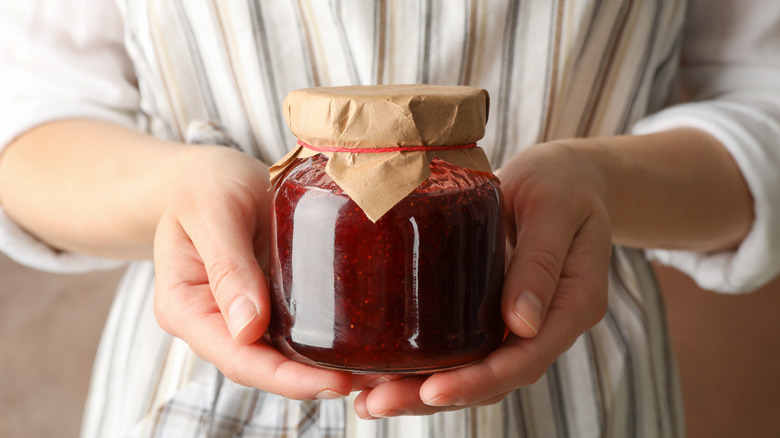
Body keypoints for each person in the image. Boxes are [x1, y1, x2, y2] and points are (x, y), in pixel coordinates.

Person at [0, 0, 778, 436]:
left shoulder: (462, 180)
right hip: (197, 382)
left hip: (581, 394)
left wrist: (601, 185)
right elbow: (27, 119)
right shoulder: (307, 182)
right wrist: (178, 185)